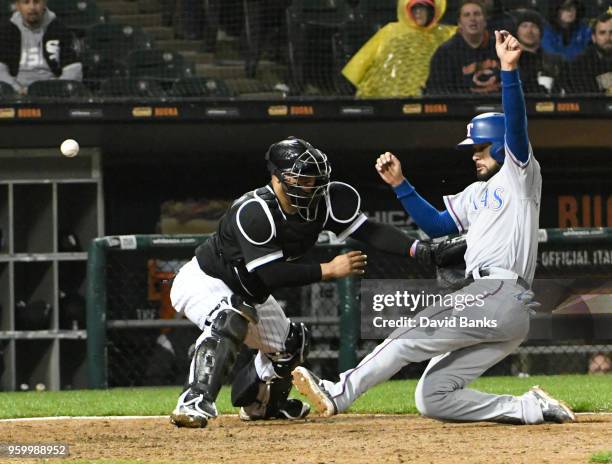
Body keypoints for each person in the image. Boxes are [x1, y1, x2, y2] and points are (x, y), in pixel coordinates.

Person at [293, 30, 577, 426]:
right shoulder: (475, 193)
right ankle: (529, 408)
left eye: (478, 148)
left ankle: (340, 390)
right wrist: (400, 185)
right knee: (433, 397)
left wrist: (508, 71)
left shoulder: (519, 176)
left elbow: (516, 127)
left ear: (497, 146)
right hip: (499, 306)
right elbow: (437, 226)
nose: (473, 155)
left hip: (498, 290)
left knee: (408, 335)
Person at [168, 136, 441, 428]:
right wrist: (329, 269)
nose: (312, 185)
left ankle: (262, 405)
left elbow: (371, 231)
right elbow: (270, 274)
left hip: (252, 294)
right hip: (205, 281)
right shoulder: (254, 210)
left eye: (315, 178)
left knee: (291, 345)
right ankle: (194, 402)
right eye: (303, 178)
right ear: (277, 178)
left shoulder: (322, 202)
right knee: (230, 318)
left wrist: (419, 250)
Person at [340, 0, 456, 98]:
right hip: (386, 100)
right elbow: (359, 64)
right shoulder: (390, 31)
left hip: (429, 99)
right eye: (414, 9)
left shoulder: (446, 33)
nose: (418, 13)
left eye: (422, 8)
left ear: (432, 10)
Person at [0, 0, 81, 95]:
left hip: (51, 94)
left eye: (37, 2)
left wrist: (56, 90)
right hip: (16, 94)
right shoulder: (7, 31)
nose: (32, 7)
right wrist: (16, 89)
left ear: (44, 4)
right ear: (18, 6)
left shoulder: (60, 29)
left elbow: (74, 70)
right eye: (26, 2)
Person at [425, 0, 501, 95]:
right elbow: (437, 91)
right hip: (460, 107)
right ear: (459, 23)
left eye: (477, 14)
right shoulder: (445, 53)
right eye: (466, 15)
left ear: (485, 21)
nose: (472, 18)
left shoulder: (500, 47)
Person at [514, 9, 564, 94]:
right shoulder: (509, 60)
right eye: (524, 26)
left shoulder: (553, 61)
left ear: (541, 32)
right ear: (517, 31)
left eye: (534, 26)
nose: (529, 31)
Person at [564, 11, 612, 94]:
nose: (607, 38)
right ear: (594, 38)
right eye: (602, 33)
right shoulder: (580, 63)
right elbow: (588, 94)